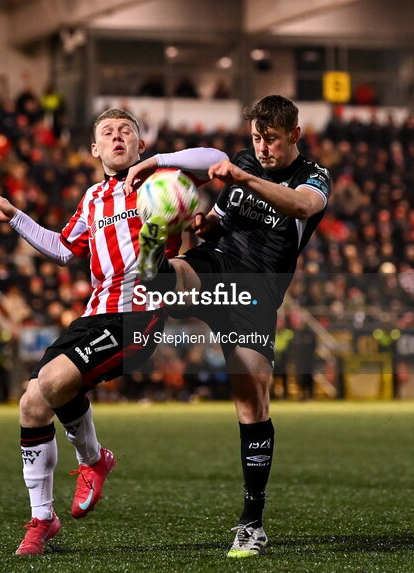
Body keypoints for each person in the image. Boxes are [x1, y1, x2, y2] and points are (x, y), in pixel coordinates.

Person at [0, 108, 225, 556]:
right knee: (32, 404)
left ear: (140, 145)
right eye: (107, 132)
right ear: (95, 149)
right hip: (93, 316)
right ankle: (45, 517)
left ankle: (91, 460)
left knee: (50, 385)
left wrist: (161, 161)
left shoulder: (161, 178)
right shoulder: (92, 199)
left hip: (139, 314)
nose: (117, 137)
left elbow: (216, 157)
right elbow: (64, 249)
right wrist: (14, 216)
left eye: (127, 131)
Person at [129, 94, 332, 557]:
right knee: (174, 280)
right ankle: (152, 253)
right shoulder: (241, 162)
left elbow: (301, 207)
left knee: (252, 405)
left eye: (272, 139)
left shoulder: (312, 177)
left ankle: (252, 522)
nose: (262, 148)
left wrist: (245, 176)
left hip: (256, 293)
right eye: (257, 138)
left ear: (294, 136)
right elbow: (219, 222)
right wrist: (202, 222)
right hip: (218, 265)